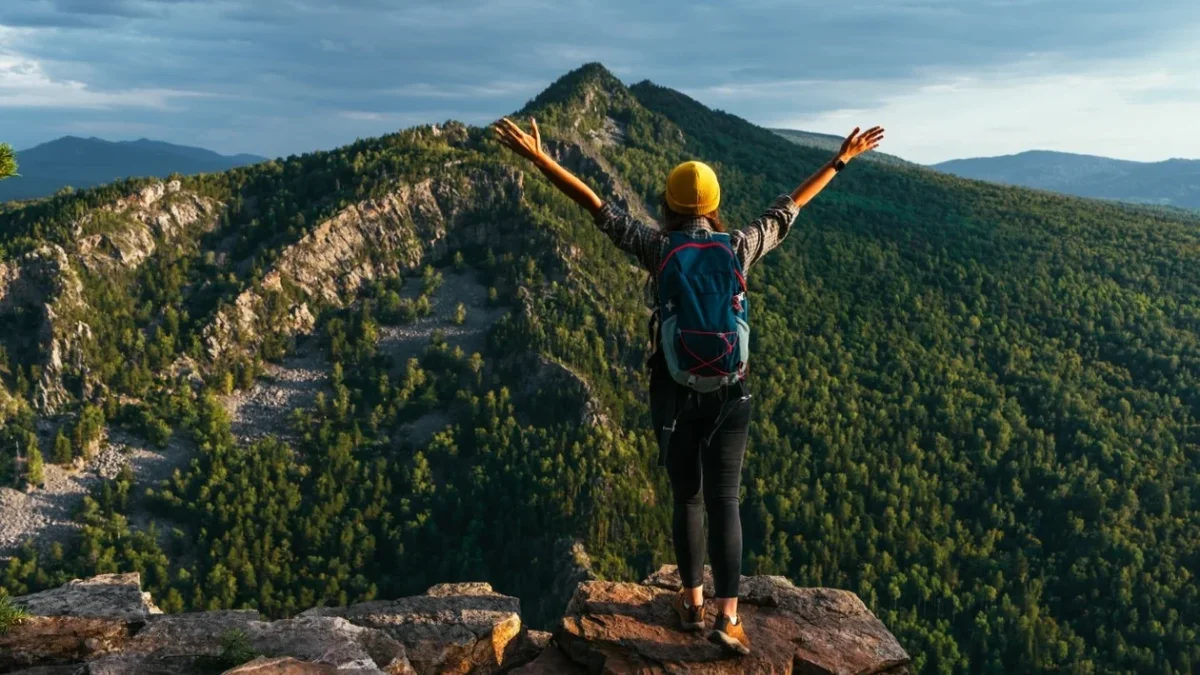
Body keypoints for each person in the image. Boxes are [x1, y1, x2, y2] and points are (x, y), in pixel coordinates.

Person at [493, 115, 884, 656]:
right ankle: (729, 617)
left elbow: (596, 206)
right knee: (727, 498)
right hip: (731, 391)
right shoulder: (739, 245)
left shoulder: (658, 248)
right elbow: (789, 208)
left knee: (688, 496)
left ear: (669, 203)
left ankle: (692, 603)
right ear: (715, 204)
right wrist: (840, 159)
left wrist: (541, 160)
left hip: (673, 389)